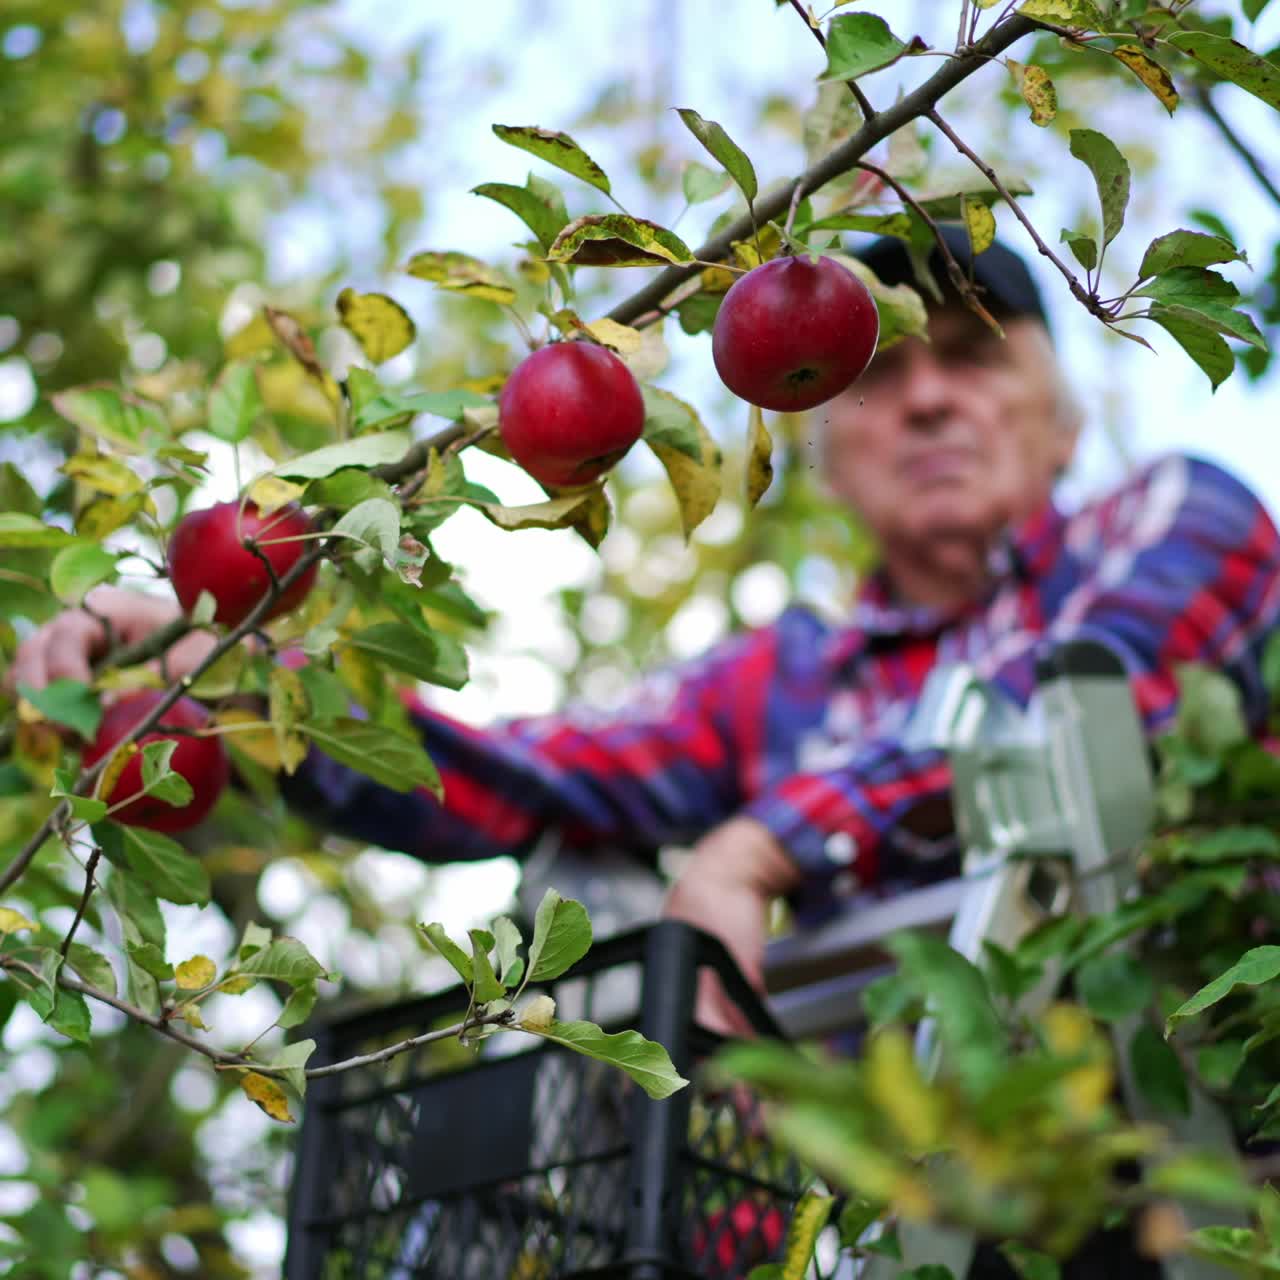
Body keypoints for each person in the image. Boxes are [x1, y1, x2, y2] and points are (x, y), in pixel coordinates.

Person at [10, 231, 1280, 1037]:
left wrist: (756, 845)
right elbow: (513, 774)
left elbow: (1100, 687)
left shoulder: (1166, 514)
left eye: (973, 357)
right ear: (826, 448)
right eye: (881, 373)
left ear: (1058, 421)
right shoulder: (775, 683)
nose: (931, 396)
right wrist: (218, 660)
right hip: (890, 1187)